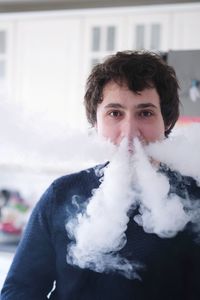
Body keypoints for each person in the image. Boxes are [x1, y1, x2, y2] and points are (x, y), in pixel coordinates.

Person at [1, 50, 200, 300]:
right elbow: (19, 290)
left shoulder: (194, 198)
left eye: (146, 113)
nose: (129, 132)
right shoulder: (61, 195)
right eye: (114, 113)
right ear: (96, 123)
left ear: (167, 121)